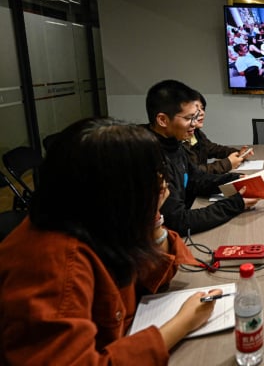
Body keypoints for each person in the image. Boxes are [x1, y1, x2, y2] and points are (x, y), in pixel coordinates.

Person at [0, 118, 223, 364]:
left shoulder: (96, 219)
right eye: (150, 176)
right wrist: (183, 323)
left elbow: (155, 276)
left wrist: (153, 218)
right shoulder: (55, 262)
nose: (162, 182)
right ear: (114, 188)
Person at [145, 79, 259, 235]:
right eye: (188, 118)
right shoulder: (149, 156)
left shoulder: (173, 143)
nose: (195, 124)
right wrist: (235, 204)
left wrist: (233, 180)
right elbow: (178, 222)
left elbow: (196, 180)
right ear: (162, 120)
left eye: (195, 116)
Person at [185, 93, 252, 174]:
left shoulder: (197, 133)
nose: (201, 113)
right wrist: (228, 164)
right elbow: (194, 173)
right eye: (195, 110)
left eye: (202, 108)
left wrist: (238, 153)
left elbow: (213, 149)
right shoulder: (176, 142)